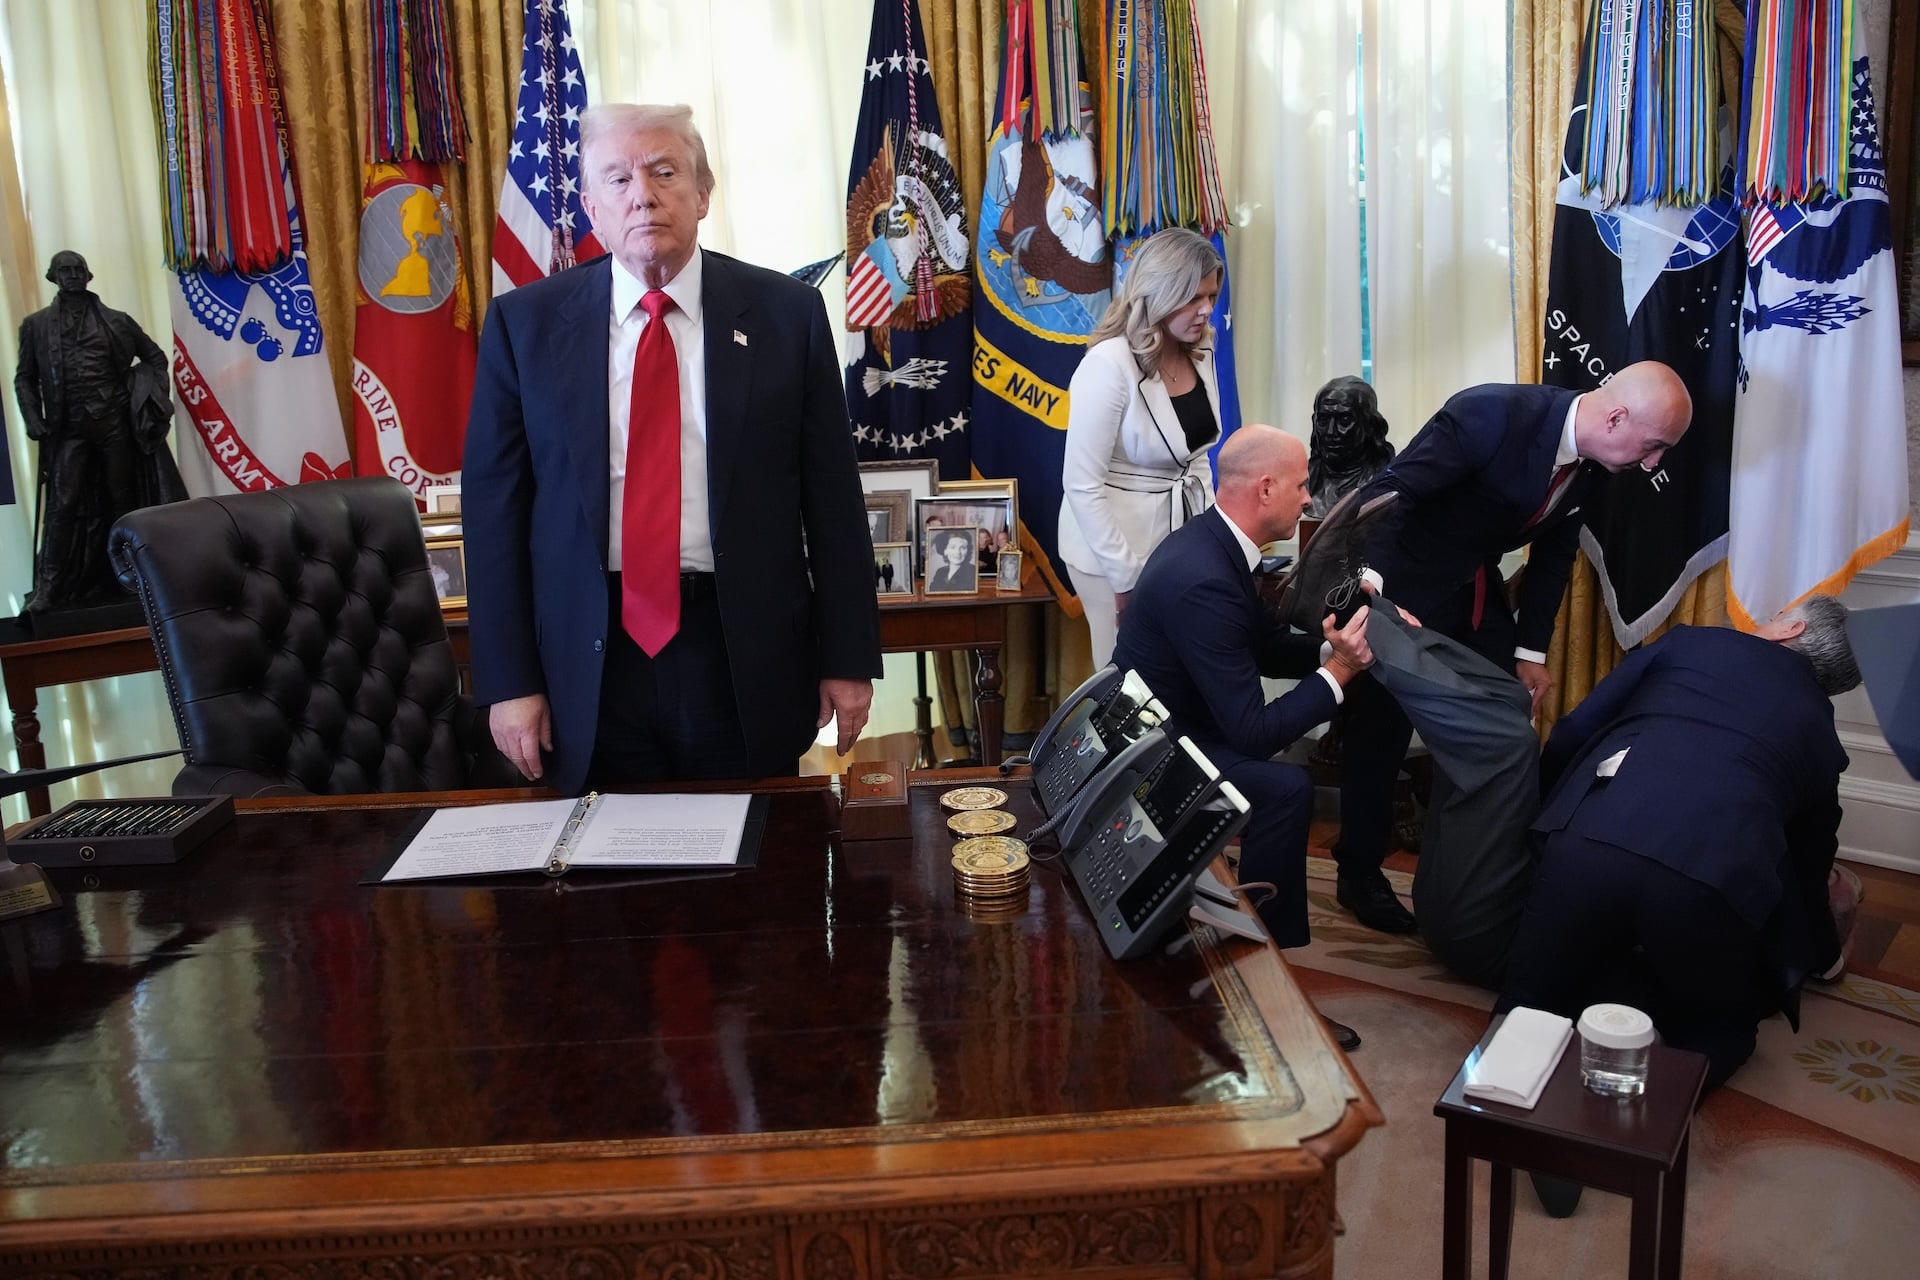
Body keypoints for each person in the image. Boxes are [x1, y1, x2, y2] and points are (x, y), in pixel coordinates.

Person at [463, 103, 880, 791]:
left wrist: (847, 657)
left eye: (664, 172)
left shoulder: (786, 316)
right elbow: (495, 514)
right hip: (587, 657)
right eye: (618, 179)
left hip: (740, 648)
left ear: (703, 193)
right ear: (592, 205)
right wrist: (508, 681)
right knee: (603, 887)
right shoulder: (524, 326)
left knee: (759, 873)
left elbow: (831, 501)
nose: (643, 196)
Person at [1333, 362, 1693, 933]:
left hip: (1475, 593)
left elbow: (1555, 553)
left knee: (1503, 719)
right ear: (1618, 416)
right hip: (1404, 582)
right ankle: (1358, 875)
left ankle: (1472, 878)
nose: (1655, 463)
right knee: (1380, 734)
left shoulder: (1599, 464)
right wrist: (1368, 590)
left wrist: (1531, 652)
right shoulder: (1490, 414)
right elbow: (1391, 493)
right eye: (1654, 446)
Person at [1497, 598, 1858, 1092]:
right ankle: (1636, 1127)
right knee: (1719, 1029)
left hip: (1588, 845)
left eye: (1776, 614)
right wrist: (1822, 956)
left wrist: (1547, 817)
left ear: (1790, 629)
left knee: (1528, 999)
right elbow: (1809, 867)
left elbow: (1575, 731)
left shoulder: (1692, 641)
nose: (1767, 619)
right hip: (1709, 885)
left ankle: (1501, 1099)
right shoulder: (1822, 736)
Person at [1113, 425, 1375, 1050]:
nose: (1309, 499)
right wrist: (1339, 674)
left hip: (1175, 727)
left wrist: (1323, 649)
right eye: (1302, 484)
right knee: (1284, 786)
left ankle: (1258, 962)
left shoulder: (1214, 547)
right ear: (1264, 488)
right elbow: (1253, 734)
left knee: (1283, 783)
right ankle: (1267, 983)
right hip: (1153, 758)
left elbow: (1261, 644)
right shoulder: (1205, 575)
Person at [1060, 228, 1225, 667]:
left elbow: (1198, 459)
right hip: (1112, 554)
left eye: (1210, 296)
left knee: (1183, 681)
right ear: (1159, 291)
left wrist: (1210, 542)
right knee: (1127, 689)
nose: (1206, 310)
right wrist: (1126, 579)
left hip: (1180, 549)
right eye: (1193, 297)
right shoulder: (1107, 365)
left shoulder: (1200, 347)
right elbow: (1081, 484)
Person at [15, 250, 183, 612]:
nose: (73, 275)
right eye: (66, 270)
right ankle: (50, 587)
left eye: (78, 269)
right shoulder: (36, 325)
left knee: (122, 502)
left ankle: (129, 577)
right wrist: (32, 419)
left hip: (113, 425)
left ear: (88, 276)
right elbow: (24, 378)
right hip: (67, 429)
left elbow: (155, 357)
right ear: (53, 276)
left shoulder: (117, 321)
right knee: (62, 505)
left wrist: (144, 395)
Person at [1306, 376, 1394, 519]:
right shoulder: (1303, 485)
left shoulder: (1387, 483)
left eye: (1344, 420)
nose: (1330, 431)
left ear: (1370, 425)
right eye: (1323, 420)